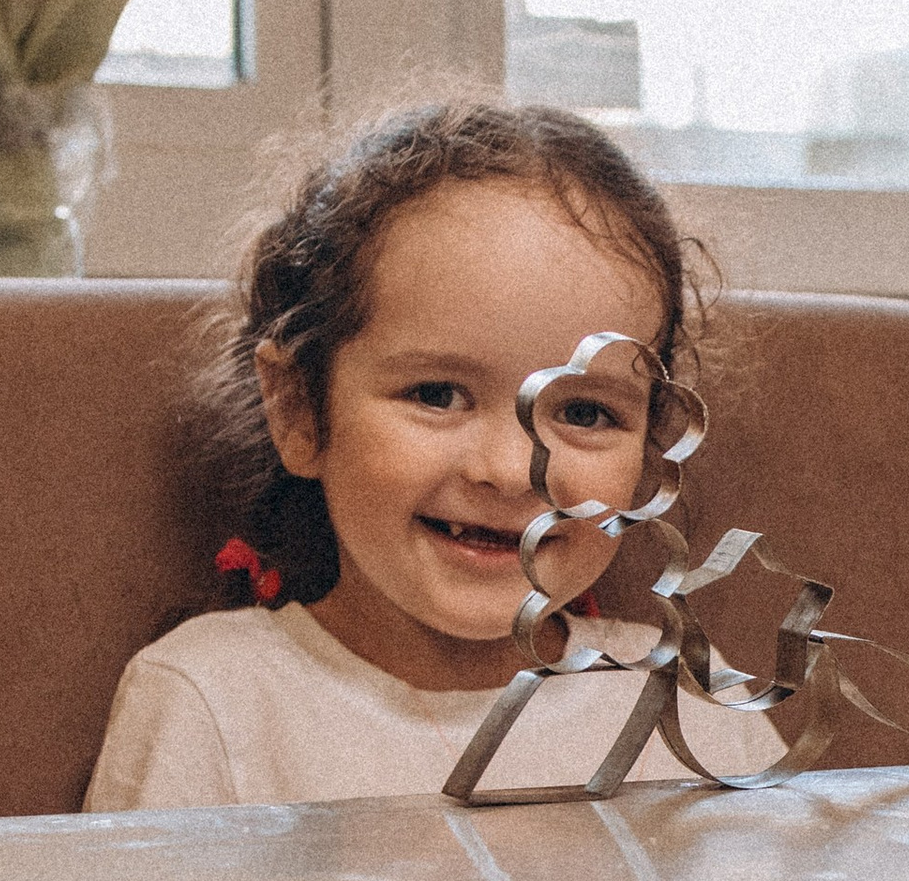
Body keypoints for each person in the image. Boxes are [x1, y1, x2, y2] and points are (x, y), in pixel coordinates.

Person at [85, 94, 778, 811]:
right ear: (298, 409)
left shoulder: (693, 702)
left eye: (583, 412)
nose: (510, 471)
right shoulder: (211, 701)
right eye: (438, 395)